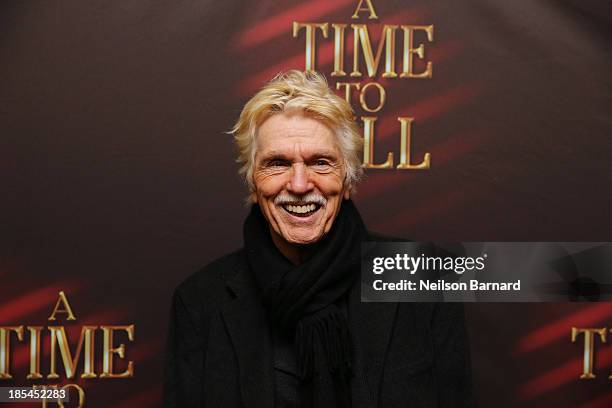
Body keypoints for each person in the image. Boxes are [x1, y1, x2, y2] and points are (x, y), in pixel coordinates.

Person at [163, 70, 473, 408]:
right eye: (277, 163)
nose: (299, 184)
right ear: (253, 183)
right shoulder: (200, 303)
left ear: (349, 180)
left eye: (320, 162)